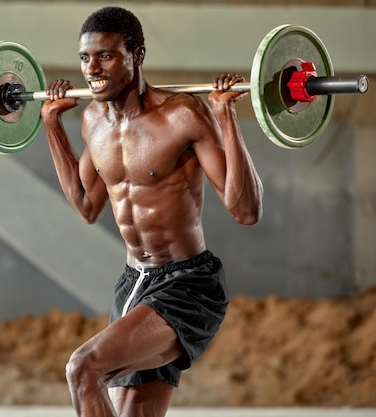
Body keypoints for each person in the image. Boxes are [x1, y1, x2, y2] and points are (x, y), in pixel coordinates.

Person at [40, 6, 263, 417]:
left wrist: (226, 117)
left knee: (82, 368)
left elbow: (245, 210)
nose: (92, 69)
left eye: (105, 56)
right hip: (132, 287)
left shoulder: (182, 115)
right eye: (85, 58)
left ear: (136, 56)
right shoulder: (93, 120)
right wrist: (52, 127)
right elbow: (88, 206)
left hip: (187, 286)